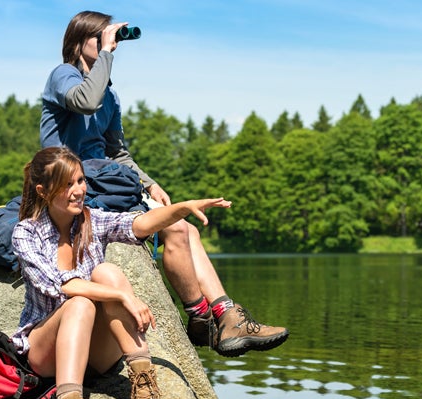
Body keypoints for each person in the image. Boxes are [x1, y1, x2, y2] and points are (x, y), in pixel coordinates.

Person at [40, 10, 288, 358]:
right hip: (71, 187)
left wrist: (149, 184)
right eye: (101, 38)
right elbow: (85, 101)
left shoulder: (109, 97)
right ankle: (202, 317)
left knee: (186, 228)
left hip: (106, 184)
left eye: (110, 40)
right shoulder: (63, 76)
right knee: (174, 230)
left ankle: (225, 315)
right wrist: (108, 55)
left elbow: (118, 152)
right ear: (79, 41)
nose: (109, 45)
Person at [11, 146, 232, 399]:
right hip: (46, 353)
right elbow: (59, 285)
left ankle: (143, 382)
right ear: (43, 190)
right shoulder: (26, 233)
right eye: (68, 184)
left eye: (80, 181)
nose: (79, 191)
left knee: (107, 271)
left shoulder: (90, 221)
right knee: (80, 302)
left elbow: (136, 225)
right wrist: (121, 296)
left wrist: (181, 208)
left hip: (96, 355)